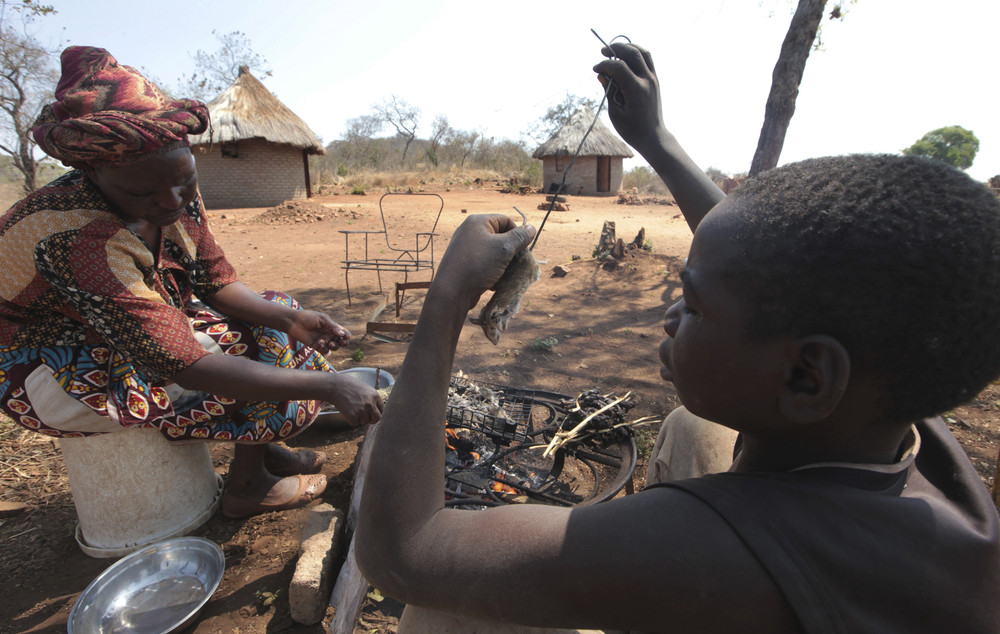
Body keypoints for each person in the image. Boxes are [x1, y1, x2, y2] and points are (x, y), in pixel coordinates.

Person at [354, 41, 1000, 633]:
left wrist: (446, 301)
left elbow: (404, 552)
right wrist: (656, 141)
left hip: (717, 580)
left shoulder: (703, 549)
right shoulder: (898, 407)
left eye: (690, 304)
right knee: (694, 429)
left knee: (443, 613)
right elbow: (766, 269)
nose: (667, 319)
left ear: (807, 376)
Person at [0, 46, 383, 519]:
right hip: (49, 368)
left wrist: (293, 317)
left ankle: (262, 450)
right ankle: (248, 487)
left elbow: (215, 281)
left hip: (124, 333)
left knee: (275, 318)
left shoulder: (175, 191)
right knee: (255, 355)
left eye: (186, 181)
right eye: (144, 193)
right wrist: (330, 388)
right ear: (92, 172)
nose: (172, 202)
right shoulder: (74, 236)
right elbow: (184, 364)